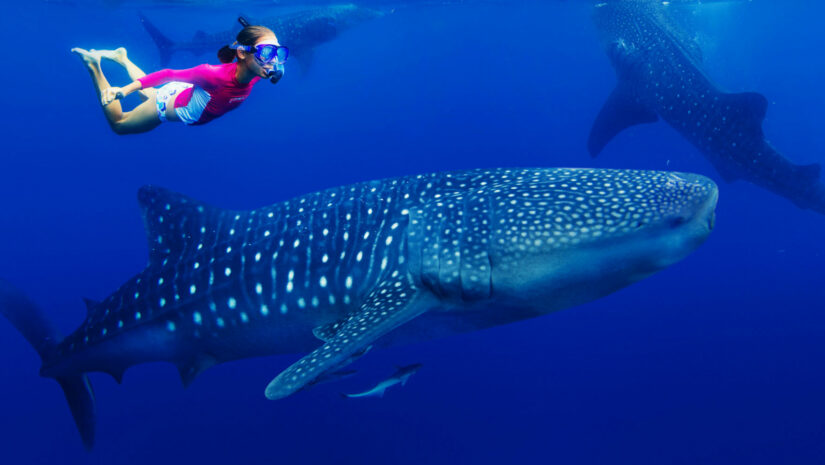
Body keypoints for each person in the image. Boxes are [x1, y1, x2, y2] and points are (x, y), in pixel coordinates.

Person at [71, 24, 288, 135]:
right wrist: (124, 91)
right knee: (119, 124)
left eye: (278, 54)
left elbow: (271, 68)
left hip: (184, 94)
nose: (273, 62)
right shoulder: (213, 74)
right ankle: (93, 64)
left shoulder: (258, 72)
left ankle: (122, 58)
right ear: (242, 53)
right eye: (267, 53)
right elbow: (167, 75)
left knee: (152, 93)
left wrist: (269, 59)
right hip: (166, 105)